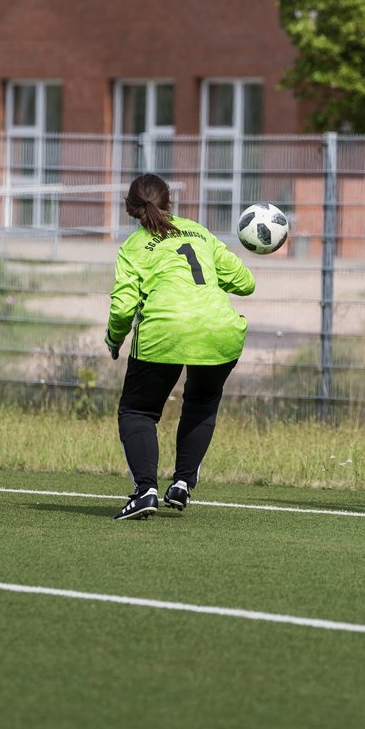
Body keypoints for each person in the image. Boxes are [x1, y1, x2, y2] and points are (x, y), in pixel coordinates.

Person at [104, 173, 255, 520]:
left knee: (138, 412)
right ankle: (183, 483)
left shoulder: (133, 247)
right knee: (201, 403)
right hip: (220, 332)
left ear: (131, 209)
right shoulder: (199, 232)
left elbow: (123, 307)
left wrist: (114, 338)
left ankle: (145, 490)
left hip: (165, 332)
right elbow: (246, 283)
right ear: (169, 201)